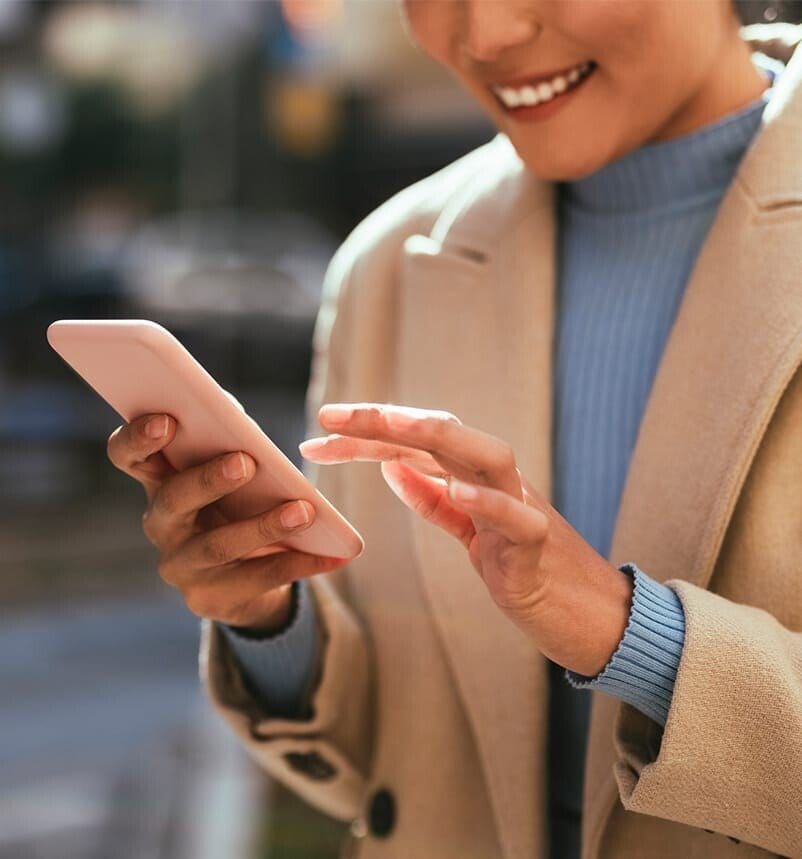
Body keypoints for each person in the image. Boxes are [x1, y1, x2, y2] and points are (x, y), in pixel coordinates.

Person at [107, 3, 802, 857]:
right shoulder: (392, 263)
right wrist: (267, 617)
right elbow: (390, 764)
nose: (484, 37)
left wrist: (626, 634)